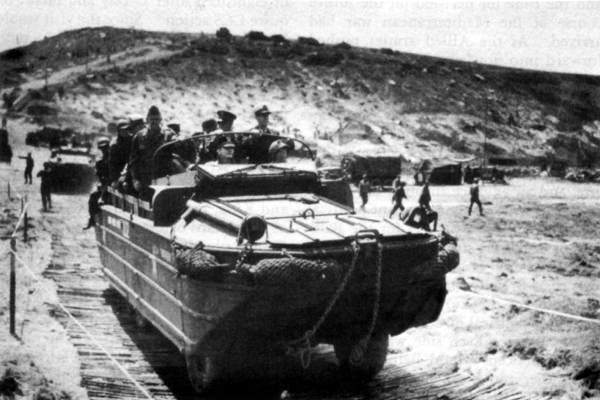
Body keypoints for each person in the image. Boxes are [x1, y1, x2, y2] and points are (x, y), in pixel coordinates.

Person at [128, 106, 175, 200]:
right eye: (152, 119)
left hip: (163, 178)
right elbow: (133, 161)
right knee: (146, 206)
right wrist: (135, 180)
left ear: (160, 120)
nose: (154, 122)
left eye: (157, 119)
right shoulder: (139, 136)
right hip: (145, 180)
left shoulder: (168, 135)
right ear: (147, 120)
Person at [84, 138, 111, 229]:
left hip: (112, 183)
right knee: (93, 198)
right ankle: (92, 219)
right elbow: (100, 177)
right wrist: (101, 187)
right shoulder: (100, 162)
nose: (104, 150)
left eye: (106, 147)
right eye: (102, 148)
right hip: (105, 184)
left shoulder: (114, 159)